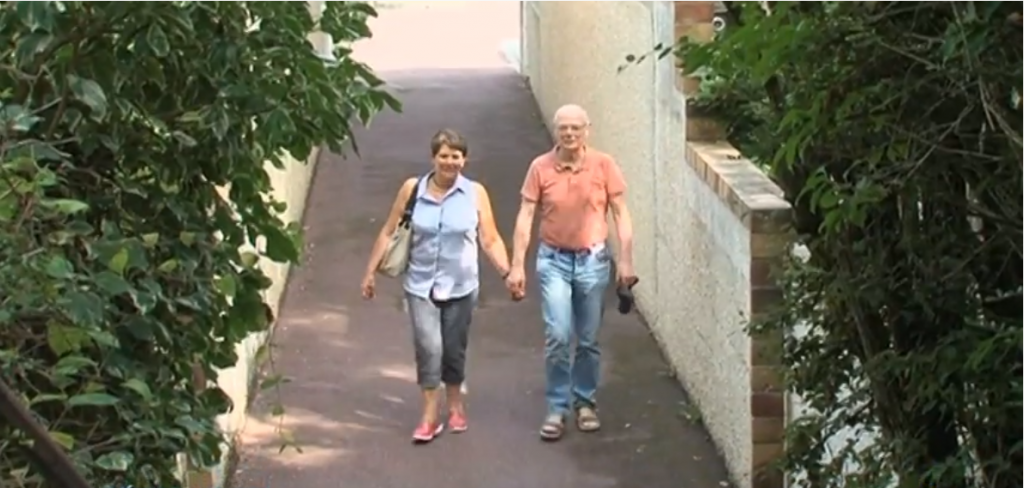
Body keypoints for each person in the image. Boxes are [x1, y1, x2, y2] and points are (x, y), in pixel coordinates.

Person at [361, 129, 511, 443]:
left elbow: (490, 238)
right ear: (433, 158)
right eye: (444, 155)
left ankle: (455, 406)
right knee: (429, 348)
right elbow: (389, 232)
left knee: (454, 350)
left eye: (456, 156)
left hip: (461, 285)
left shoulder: (475, 193)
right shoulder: (412, 189)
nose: (450, 162)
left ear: (464, 160)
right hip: (420, 285)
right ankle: (429, 416)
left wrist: (508, 274)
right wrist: (370, 272)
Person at [505, 104, 636, 441]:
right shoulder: (540, 167)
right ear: (556, 130)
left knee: (589, 339)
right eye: (563, 127)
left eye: (576, 127)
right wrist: (517, 265)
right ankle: (557, 407)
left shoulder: (604, 165)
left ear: (586, 130)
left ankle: (585, 402)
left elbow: (621, 214)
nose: (569, 133)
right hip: (553, 261)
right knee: (558, 335)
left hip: (593, 260)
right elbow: (525, 215)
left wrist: (625, 261)